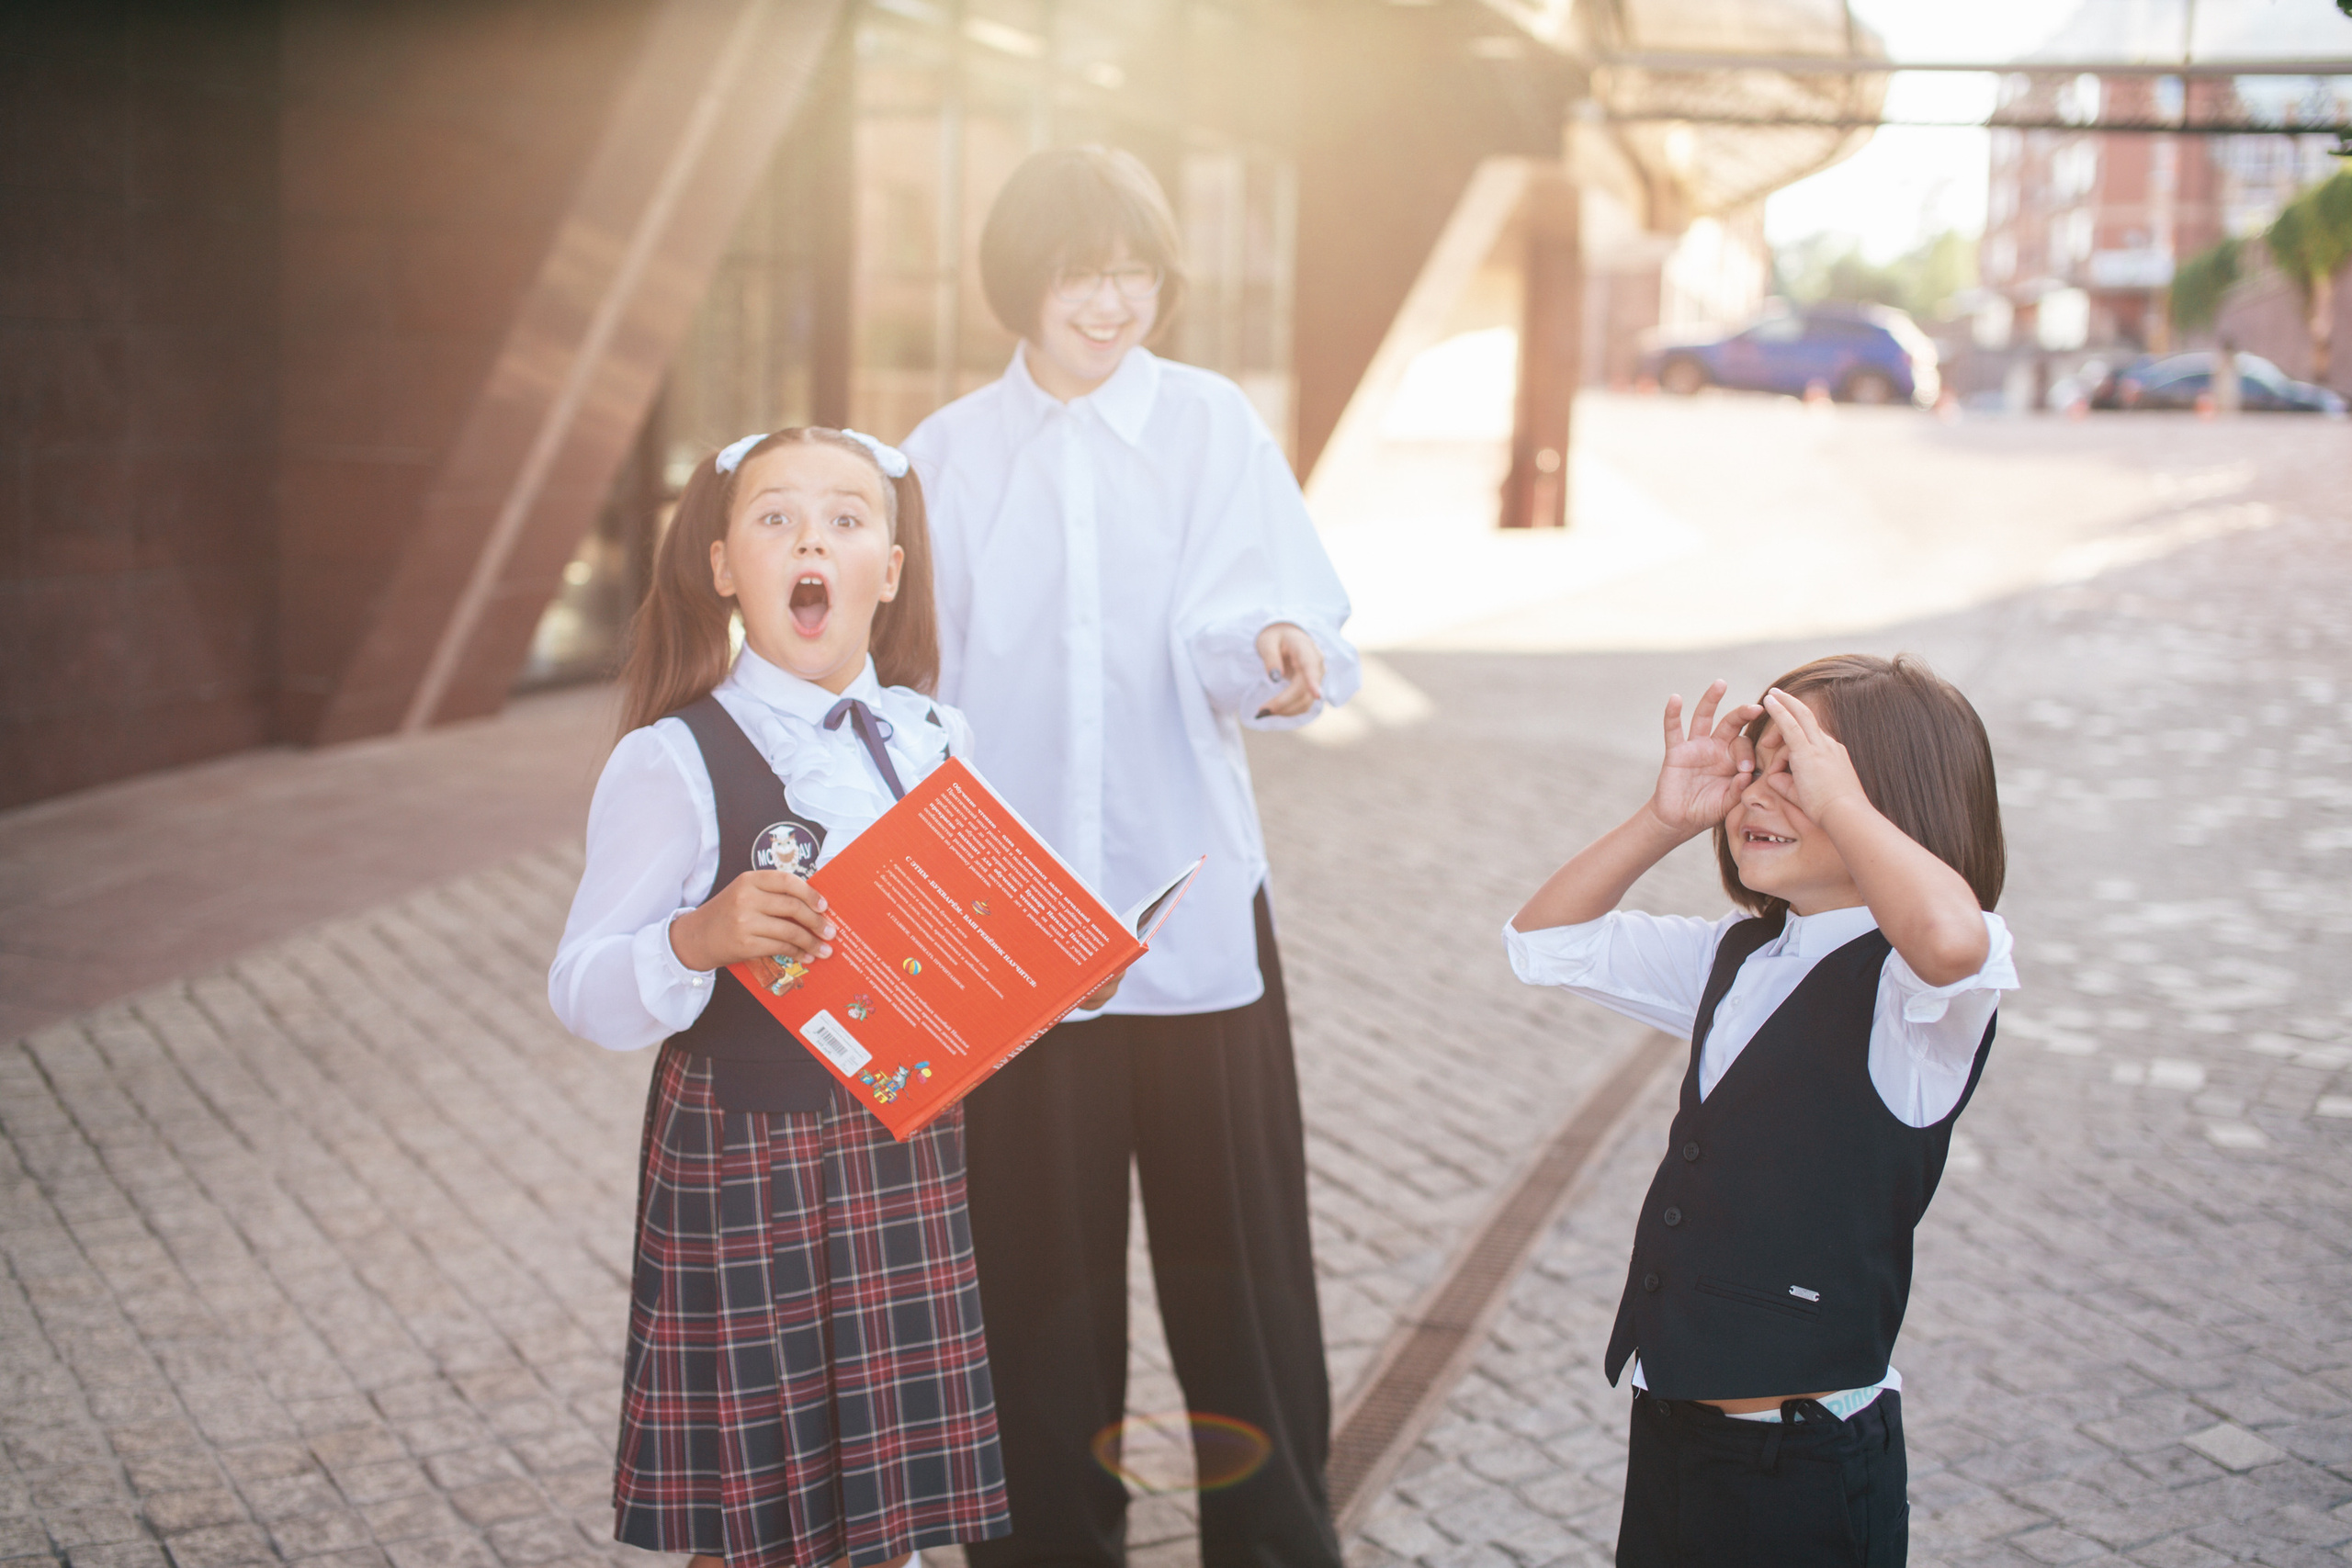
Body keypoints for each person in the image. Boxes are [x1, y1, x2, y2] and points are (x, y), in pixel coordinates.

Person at [900, 146, 1360, 1568]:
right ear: (1019, 283)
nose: (1112, 303)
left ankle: (1278, 1542)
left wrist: (1276, 650)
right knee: (1031, 1273)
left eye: (1135, 273)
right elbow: (924, 694)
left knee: (1244, 1266)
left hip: (1195, 903)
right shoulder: (944, 454)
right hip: (1011, 929)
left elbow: (1271, 611)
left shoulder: (1212, 424)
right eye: (1080, 273)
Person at [548, 427, 1014, 1568]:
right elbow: (581, 991)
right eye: (776, 518)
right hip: (746, 1155)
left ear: (888, 573)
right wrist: (697, 937)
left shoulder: (935, 736)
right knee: (755, 1521)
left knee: (886, 1517)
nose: (814, 537)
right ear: (722, 568)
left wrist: (1057, 978)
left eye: (848, 519)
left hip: (905, 1148)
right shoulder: (675, 756)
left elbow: (970, 966)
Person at [1503, 654, 2016, 1567]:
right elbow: (1545, 944)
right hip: (1673, 1435)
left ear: (1894, 802)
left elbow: (1945, 936)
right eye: (1757, 762)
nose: (1758, 793)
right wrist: (1664, 819)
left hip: (1800, 1467)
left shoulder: (1914, 997)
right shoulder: (1740, 958)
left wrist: (1844, 807)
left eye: (1800, 771)